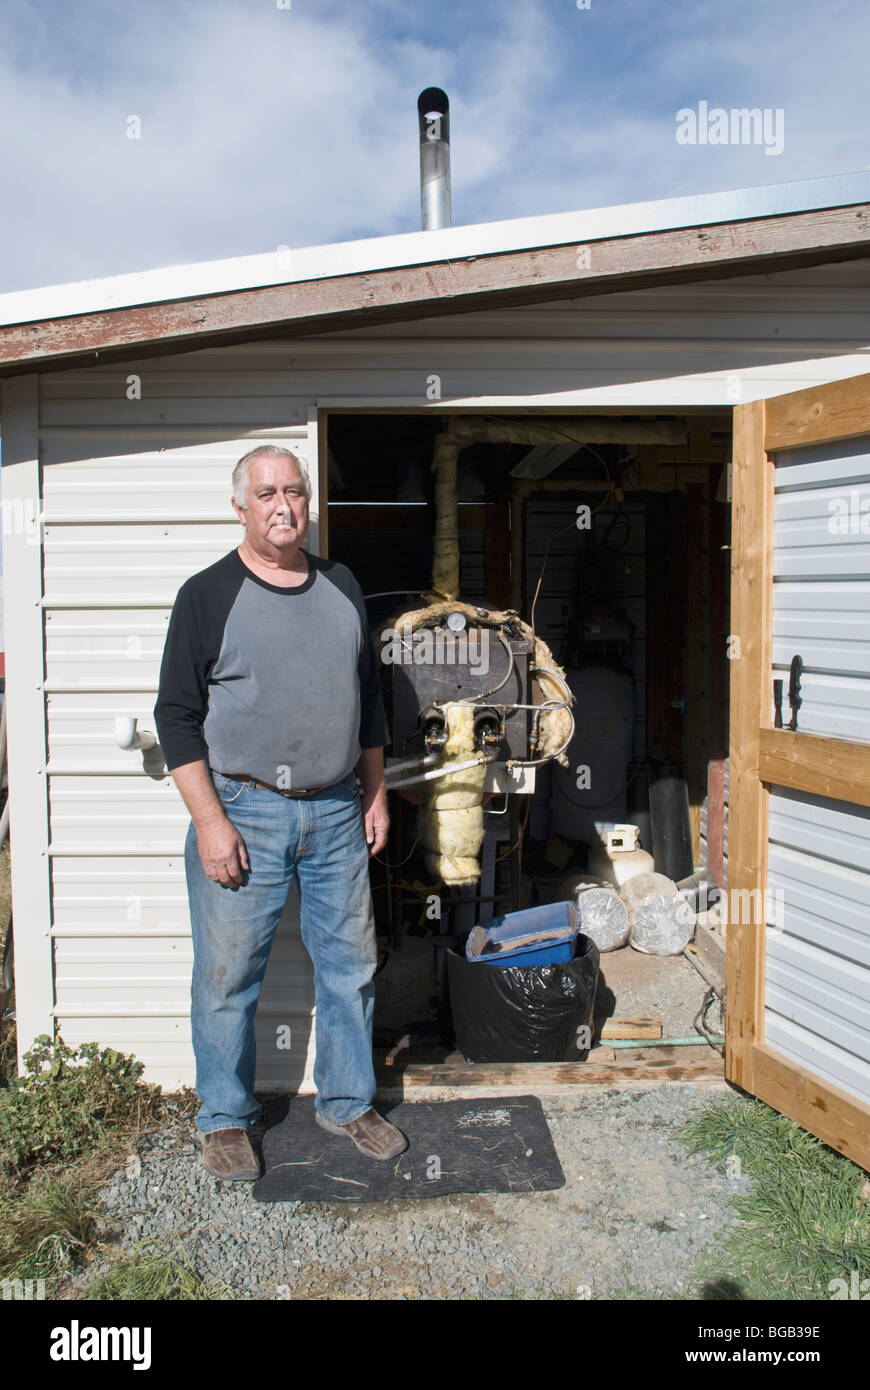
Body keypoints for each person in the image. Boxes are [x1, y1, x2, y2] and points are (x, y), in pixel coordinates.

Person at [154, 444, 406, 1180]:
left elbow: (369, 706)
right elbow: (175, 718)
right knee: (230, 976)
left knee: (351, 967)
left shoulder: (341, 585)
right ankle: (227, 1119)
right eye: (266, 494)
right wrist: (209, 820)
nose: (283, 506)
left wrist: (376, 792)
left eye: (293, 491)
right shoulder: (207, 595)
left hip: (335, 811)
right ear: (240, 507)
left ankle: (349, 1101)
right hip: (244, 811)